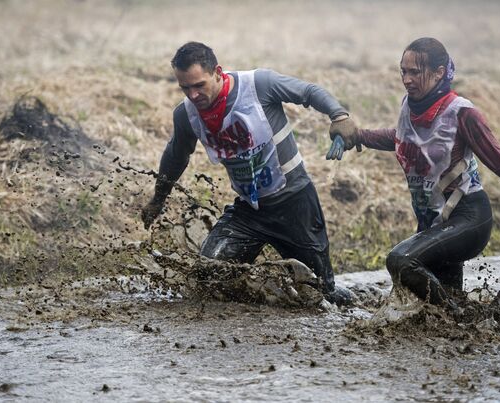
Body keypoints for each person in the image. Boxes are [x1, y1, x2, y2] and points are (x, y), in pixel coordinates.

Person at [326, 37, 500, 304]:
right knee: (434, 303)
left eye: (415, 72)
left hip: (468, 218)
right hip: (434, 220)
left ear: (439, 73)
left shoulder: (461, 113)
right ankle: (461, 317)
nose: (406, 79)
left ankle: (456, 317)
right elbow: (401, 138)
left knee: (401, 261)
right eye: (403, 71)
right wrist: (357, 136)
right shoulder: (409, 106)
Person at [141, 41, 358, 306]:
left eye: (199, 85)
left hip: (295, 204)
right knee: (206, 278)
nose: (193, 95)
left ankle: (358, 304)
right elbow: (176, 157)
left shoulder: (258, 85)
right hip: (249, 212)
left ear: (218, 72)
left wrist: (339, 116)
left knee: (322, 295)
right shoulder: (186, 115)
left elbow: (308, 92)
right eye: (185, 88)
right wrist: (158, 199)